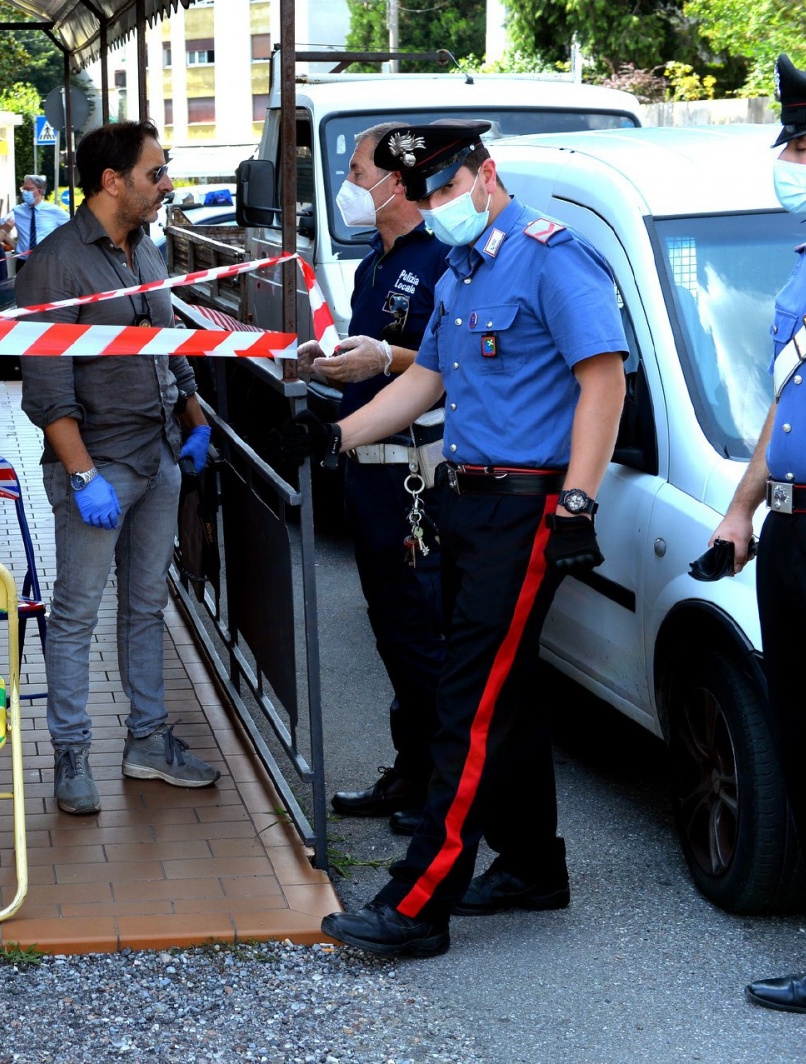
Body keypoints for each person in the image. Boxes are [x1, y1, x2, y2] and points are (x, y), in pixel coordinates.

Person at [305, 120, 628, 957]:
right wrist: (335, 436)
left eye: (448, 186)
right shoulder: (462, 266)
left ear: (486, 174)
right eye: (426, 192)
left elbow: (604, 381)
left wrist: (578, 503)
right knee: (501, 695)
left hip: (527, 508)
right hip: (466, 502)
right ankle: (532, 866)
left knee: (466, 703)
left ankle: (418, 904)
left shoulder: (552, 256)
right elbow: (427, 377)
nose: (438, 203)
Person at [18, 119, 222, 814]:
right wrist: (83, 476)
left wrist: (194, 420)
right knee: (76, 613)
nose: (167, 184)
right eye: (155, 173)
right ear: (112, 181)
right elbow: (47, 389)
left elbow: (169, 343)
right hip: (99, 464)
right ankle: (71, 754)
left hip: (158, 454)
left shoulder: (147, 247)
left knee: (145, 607)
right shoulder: (55, 264)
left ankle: (147, 742)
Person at [709, 56, 806, 1015]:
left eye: (803, 147)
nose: (788, 165)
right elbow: (787, 409)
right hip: (794, 528)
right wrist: (743, 506)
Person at [298, 122, 450, 837]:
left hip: (417, 474)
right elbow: (373, 362)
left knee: (422, 631)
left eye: (358, 171)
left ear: (397, 180)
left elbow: (448, 365)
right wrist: (333, 364)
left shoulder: (444, 259)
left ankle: (444, 788)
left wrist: (384, 359)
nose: (348, 186)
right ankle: (410, 769)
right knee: (391, 629)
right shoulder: (371, 265)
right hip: (366, 468)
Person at [14, 174, 70, 258]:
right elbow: (0, 227)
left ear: (39, 191)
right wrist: (15, 246)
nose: (25, 192)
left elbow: (73, 227)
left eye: (29, 189)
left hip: (45, 260)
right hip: (23, 261)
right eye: (24, 189)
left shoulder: (54, 211)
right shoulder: (17, 211)